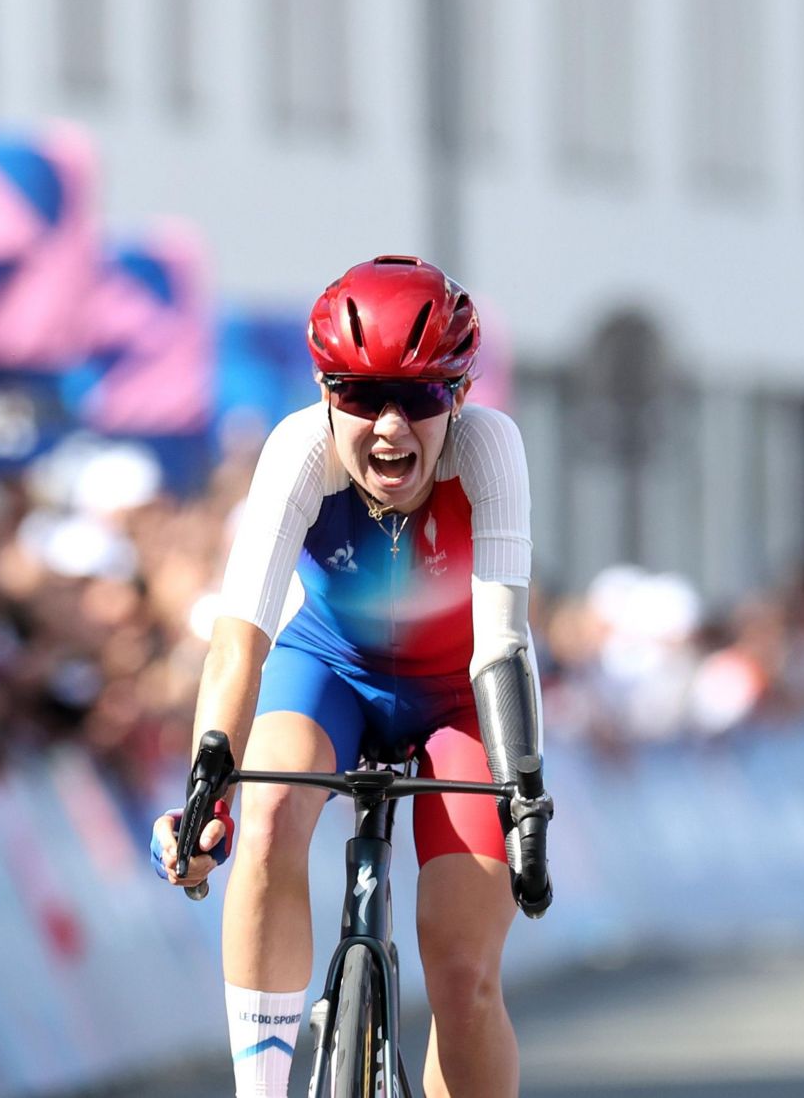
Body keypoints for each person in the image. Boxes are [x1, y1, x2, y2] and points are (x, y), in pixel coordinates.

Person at [150, 256, 554, 1098]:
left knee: (463, 975)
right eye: (363, 395)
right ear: (326, 392)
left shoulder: (490, 450)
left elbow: (501, 646)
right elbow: (240, 641)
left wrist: (521, 795)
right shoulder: (298, 449)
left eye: (421, 398)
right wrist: (204, 792)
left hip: (458, 695)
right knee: (263, 817)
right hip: (330, 666)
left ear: (462, 395)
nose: (390, 427)